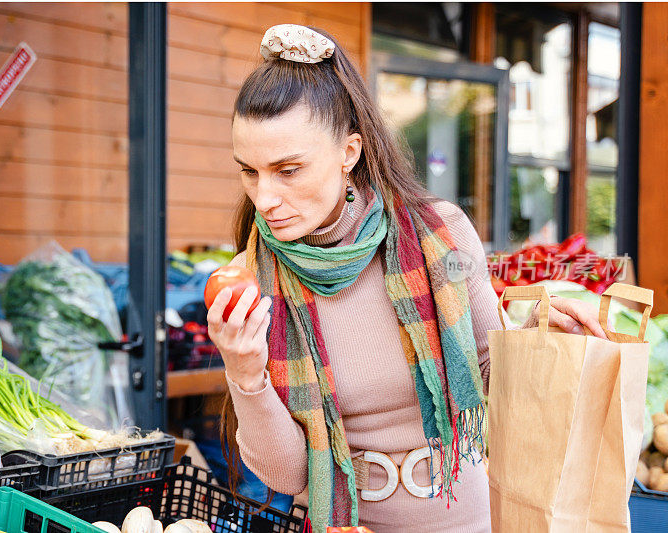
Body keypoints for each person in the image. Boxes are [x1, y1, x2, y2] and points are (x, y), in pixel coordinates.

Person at [206, 24, 608, 533]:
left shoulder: (440, 235)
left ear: (349, 153)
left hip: (469, 519)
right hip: (345, 525)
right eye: (249, 171)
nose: (264, 199)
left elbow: (491, 378)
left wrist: (542, 334)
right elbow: (287, 476)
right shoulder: (249, 281)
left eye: (288, 170)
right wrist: (245, 373)